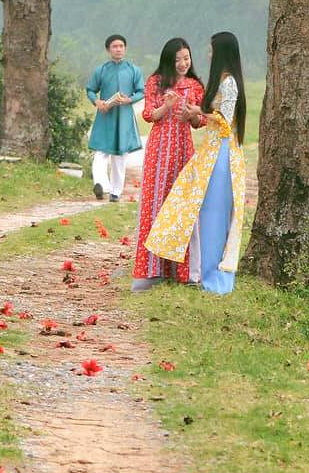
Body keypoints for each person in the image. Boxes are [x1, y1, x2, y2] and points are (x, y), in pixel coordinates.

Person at [143, 31, 247, 294]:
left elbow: (224, 124)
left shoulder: (229, 83)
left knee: (214, 215)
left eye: (211, 50)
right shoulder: (219, 81)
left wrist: (198, 112)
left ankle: (214, 277)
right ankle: (198, 272)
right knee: (202, 212)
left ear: (221, 52)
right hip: (210, 153)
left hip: (222, 154)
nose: (208, 54)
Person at [132, 36, 205, 289]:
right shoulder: (156, 82)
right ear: (168, 61)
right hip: (159, 151)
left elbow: (199, 121)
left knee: (182, 207)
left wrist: (191, 115)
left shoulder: (195, 86)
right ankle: (152, 270)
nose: (183, 63)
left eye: (186, 58)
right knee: (155, 205)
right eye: (177, 60)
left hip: (183, 149)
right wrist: (167, 106)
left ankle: (183, 272)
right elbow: (149, 115)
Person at [85, 32, 144, 201]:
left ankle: (115, 192)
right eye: (114, 47)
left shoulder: (134, 70)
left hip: (124, 116)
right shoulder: (101, 70)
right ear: (108, 50)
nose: (118, 49)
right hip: (105, 115)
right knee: (100, 153)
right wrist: (97, 102)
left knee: (120, 156)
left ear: (125, 49)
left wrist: (129, 99)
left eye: (121, 46)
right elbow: (90, 89)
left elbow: (141, 91)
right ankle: (101, 185)